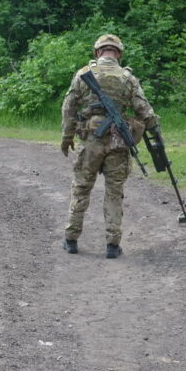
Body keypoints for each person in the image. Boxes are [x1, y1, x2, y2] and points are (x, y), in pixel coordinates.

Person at [59, 34, 159, 258]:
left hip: (90, 141)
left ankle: (71, 239)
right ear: (119, 54)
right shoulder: (128, 78)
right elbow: (144, 109)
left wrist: (67, 137)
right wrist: (155, 130)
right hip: (118, 143)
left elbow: (68, 107)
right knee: (114, 193)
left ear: (98, 52)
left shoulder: (83, 74)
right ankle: (112, 245)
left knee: (81, 188)